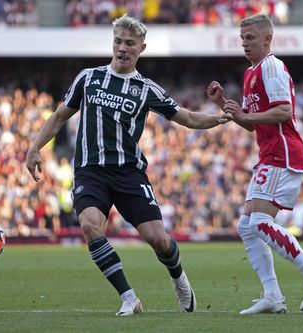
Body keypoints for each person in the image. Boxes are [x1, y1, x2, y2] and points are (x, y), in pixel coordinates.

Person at [26, 14, 231, 316]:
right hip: (90, 170)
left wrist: (217, 118)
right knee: (90, 225)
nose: (122, 48)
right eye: (118, 41)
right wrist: (34, 148)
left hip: (128, 173)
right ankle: (129, 297)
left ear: (141, 48)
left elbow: (186, 117)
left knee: (157, 239)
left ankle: (179, 278)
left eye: (129, 44)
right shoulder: (89, 78)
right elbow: (59, 117)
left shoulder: (146, 89)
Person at [207, 14, 303, 315]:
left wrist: (248, 116)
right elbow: (251, 125)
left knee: (260, 223)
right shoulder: (250, 73)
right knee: (247, 226)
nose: (244, 44)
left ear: (267, 38)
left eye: (250, 38)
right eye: (242, 39)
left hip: (283, 153)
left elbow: (283, 111)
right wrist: (222, 104)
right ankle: (272, 295)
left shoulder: (272, 66)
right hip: (269, 154)